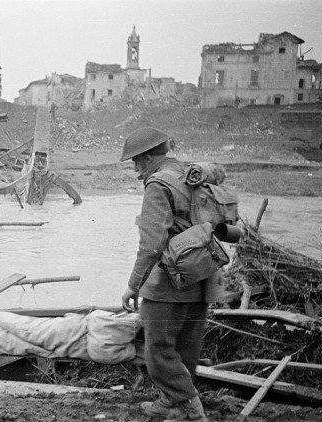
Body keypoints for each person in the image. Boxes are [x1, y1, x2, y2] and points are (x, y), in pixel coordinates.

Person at [120, 127, 211, 422]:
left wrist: (133, 286)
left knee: (157, 348)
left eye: (136, 163)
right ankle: (171, 401)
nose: (135, 171)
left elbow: (151, 244)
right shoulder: (191, 174)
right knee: (187, 344)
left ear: (147, 158)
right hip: (204, 274)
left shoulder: (157, 184)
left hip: (170, 280)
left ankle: (189, 409)